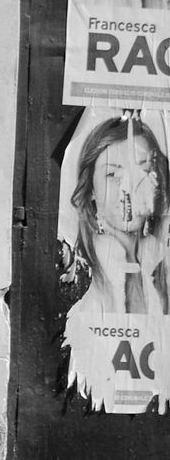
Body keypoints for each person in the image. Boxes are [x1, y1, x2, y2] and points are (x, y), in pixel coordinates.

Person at [64, 115, 170, 315]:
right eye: (112, 175)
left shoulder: (161, 259)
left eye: (143, 169)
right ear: (91, 189)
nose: (128, 188)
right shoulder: (74, 269)